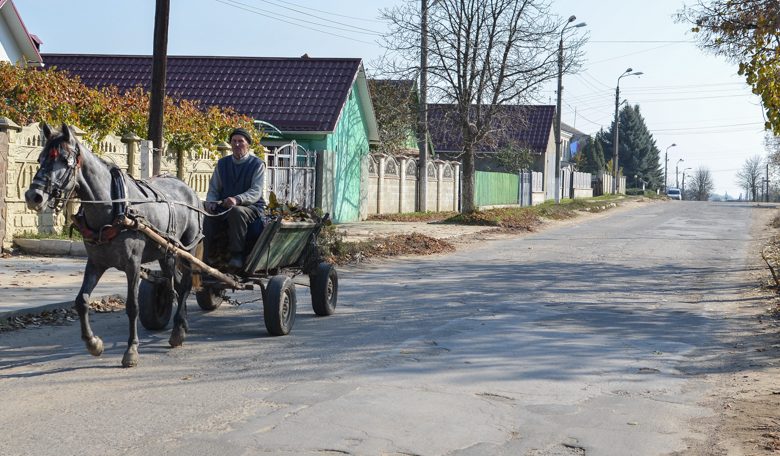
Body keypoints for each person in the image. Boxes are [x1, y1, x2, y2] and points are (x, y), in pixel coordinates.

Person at [204, 127, 266, 270]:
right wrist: (211, 202)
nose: (237, 144)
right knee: (203, 212)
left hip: (252, 207)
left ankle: (237, 255)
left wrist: (238, 199)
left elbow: (256, 191)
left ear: (248, 144)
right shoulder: (222, 164)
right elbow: (214, 188)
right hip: (225, 205)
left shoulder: (257, 164)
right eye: (234, 141)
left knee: (236, 212)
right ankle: (205, 253)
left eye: (241, 141)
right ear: (230, 144)